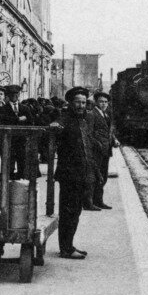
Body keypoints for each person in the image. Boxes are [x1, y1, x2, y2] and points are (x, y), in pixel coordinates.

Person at [50, 86, 96, 259]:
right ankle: (66, 249)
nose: (81, 105)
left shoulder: (85, 119)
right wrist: (54, 125)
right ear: (70, 102)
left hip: (82, 172)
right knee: (68, 212)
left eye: (84, 102)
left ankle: (69, 245)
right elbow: (55, 126)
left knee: (75, 211)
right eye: (77, 102)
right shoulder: (63, 118)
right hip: (69, 173)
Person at [1, 84, 35, 179]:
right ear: (8, 95)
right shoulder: (3, 108)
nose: (14, 96)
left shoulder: (25, 108)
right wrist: (19, 119)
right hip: (9, 139)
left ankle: (21, 180)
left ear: (19, 95)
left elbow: (31, 121)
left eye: (16, 94)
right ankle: (9, 181)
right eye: (12, 94)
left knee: (22, 161)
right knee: (9, 162)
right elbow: (3, 120)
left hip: (22, 139)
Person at [91, 92, 115, 210]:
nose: (104, 104)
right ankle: (92, 202)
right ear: (96, 102)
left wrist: (114, 140)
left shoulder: (105, 114)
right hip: (97, 150)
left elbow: (108, 131)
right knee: (97, 176)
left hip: (106, 150)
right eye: (101, 101)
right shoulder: (92, 114)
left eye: (106, 102)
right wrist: (98, 144)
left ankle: (98, 200)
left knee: (103, 176)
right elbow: (90, 133)